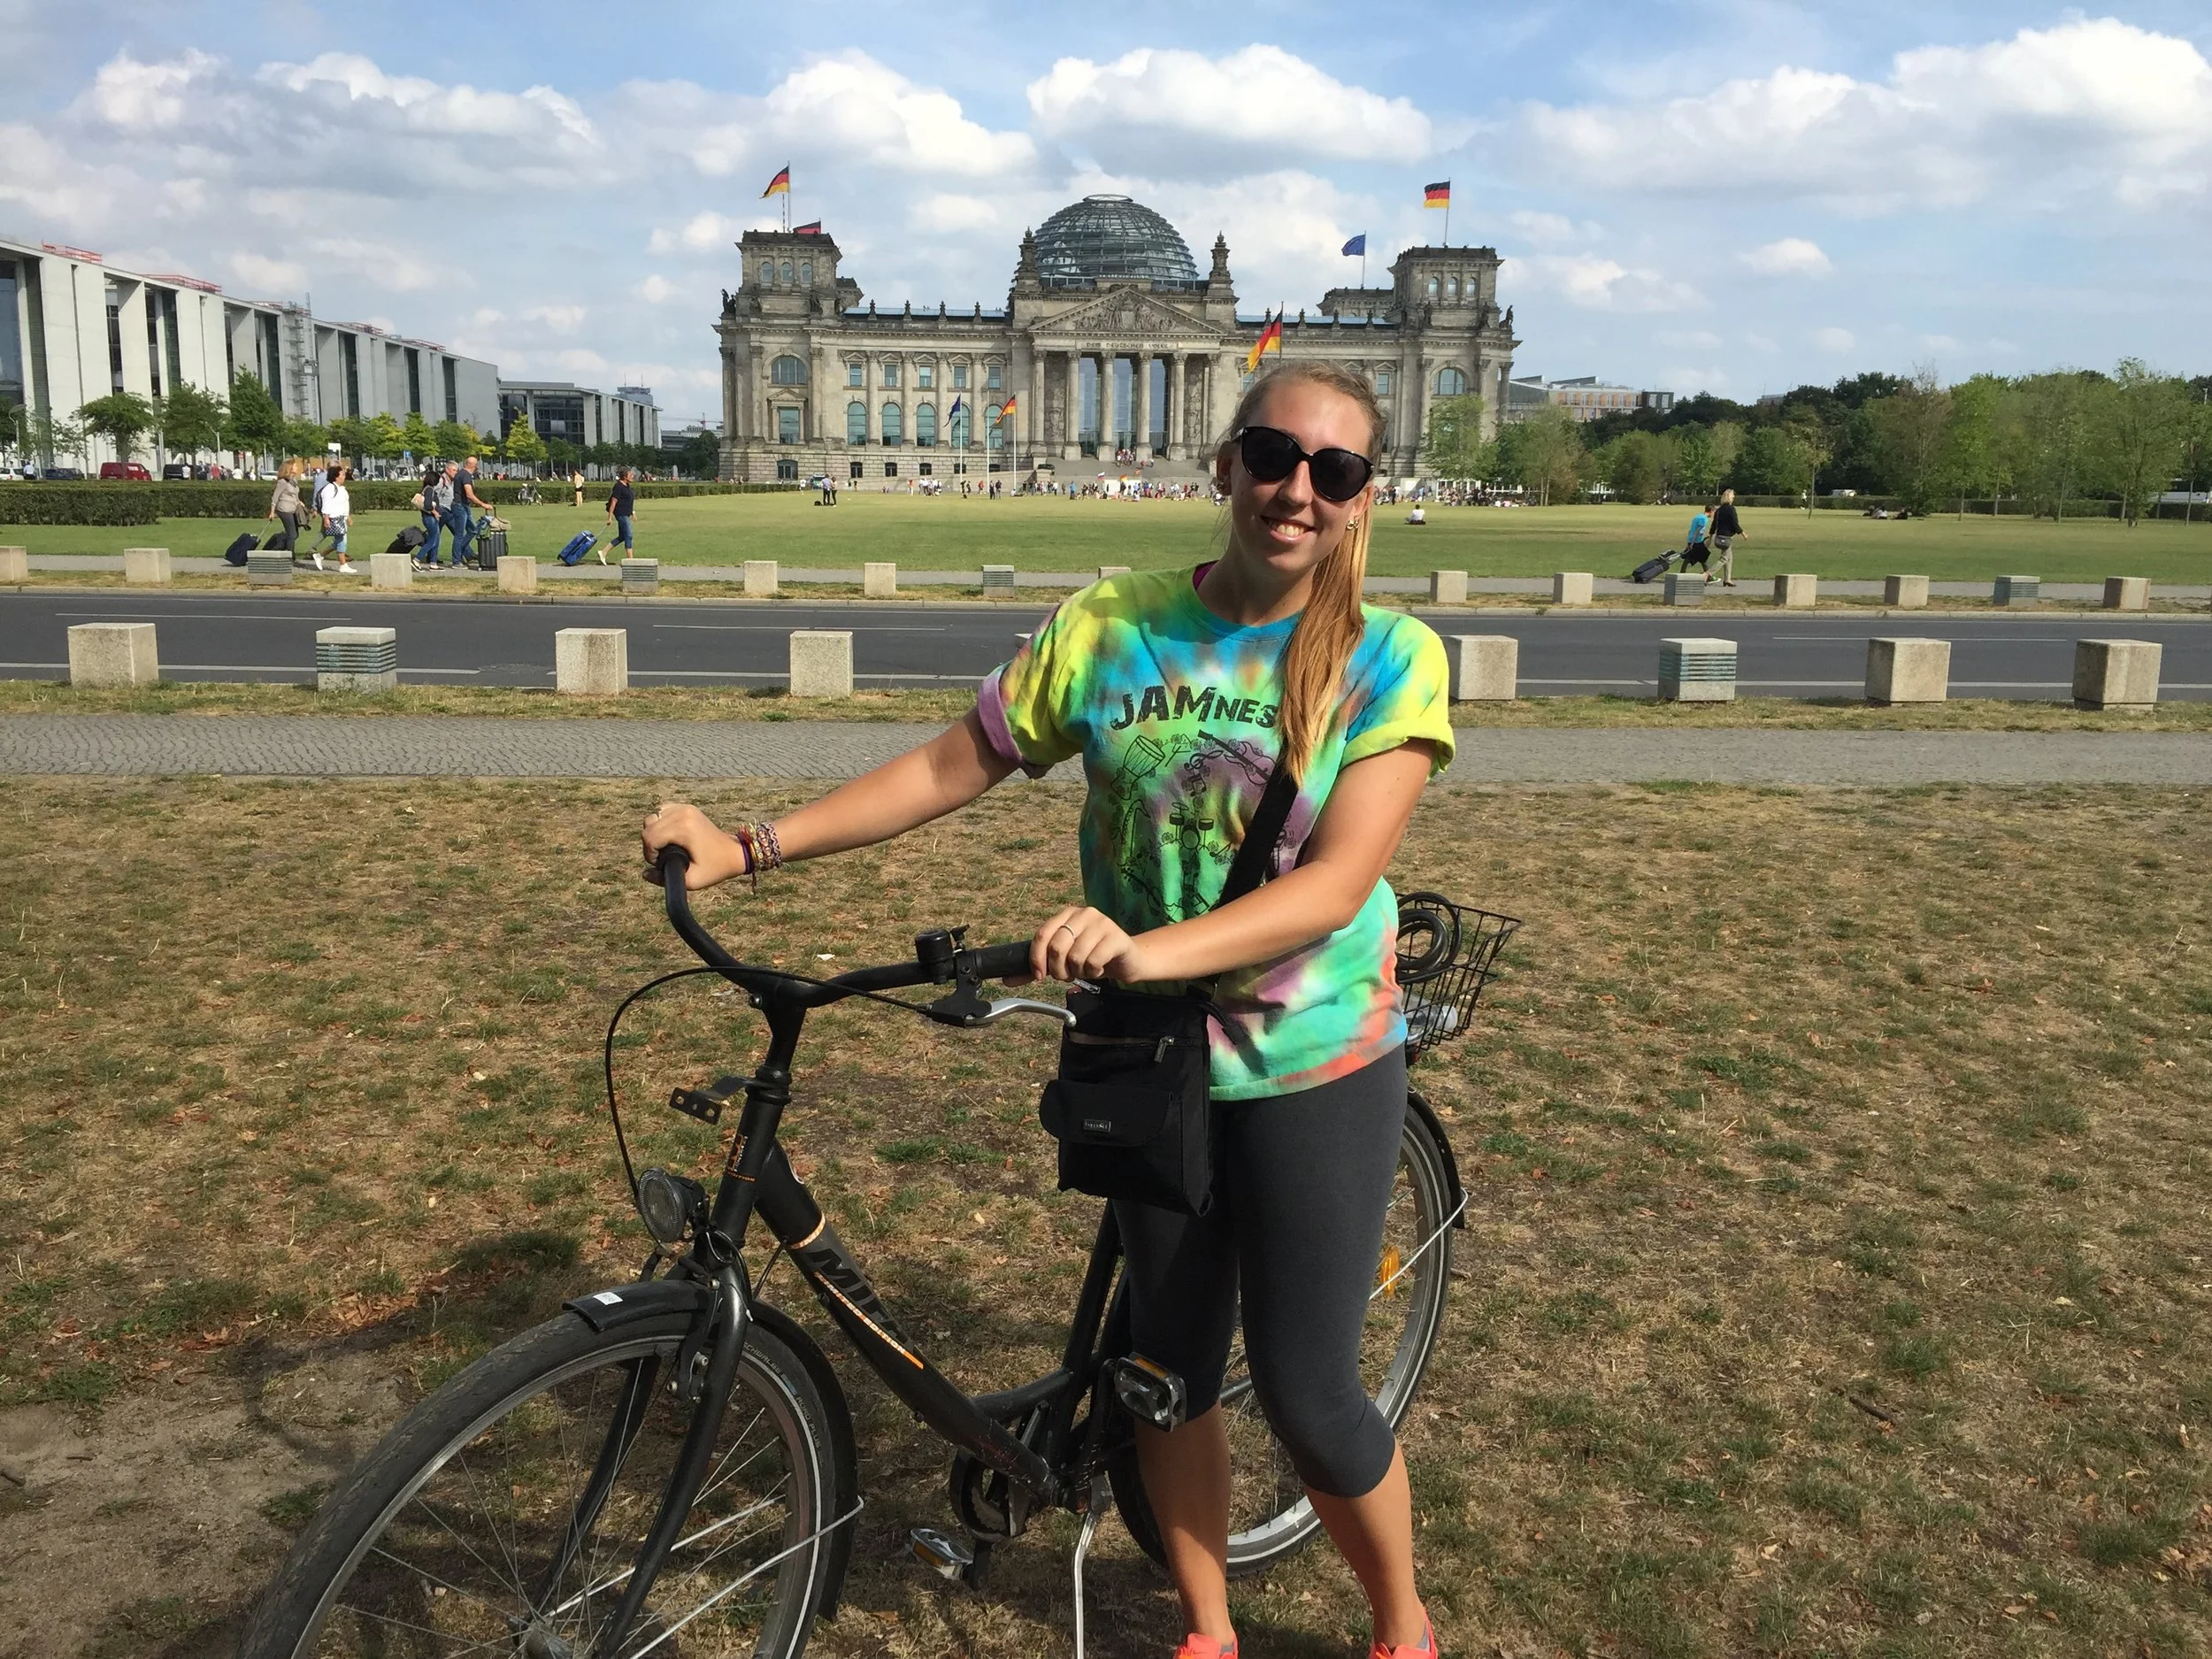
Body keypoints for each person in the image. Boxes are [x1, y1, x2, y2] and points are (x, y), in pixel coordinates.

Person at [641, 361, 1453, 1659]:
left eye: (1335, 471)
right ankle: (1206, 1626)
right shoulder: (1116, 625)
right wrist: (753, 844)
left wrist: (1143, 945)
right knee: (1164, 1374)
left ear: (1361, 499)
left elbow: (1335, 888)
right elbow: (946, 764)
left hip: (1312, 1058)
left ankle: (1403, 1625)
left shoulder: (1387, 656)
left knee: (1309, 1391)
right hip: (1146, 1054)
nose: (1297, 489)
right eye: (1274, 455)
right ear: (1227, 464)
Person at [312, 463, 357, 574]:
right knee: (341, 540)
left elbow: (345, 505)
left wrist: (348, 517)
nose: (344, 476)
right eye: (342, 474)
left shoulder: (341, 489)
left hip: (341, 518)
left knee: (339, 541)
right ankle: (342, 565)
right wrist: (326, 518)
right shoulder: (329, 488)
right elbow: (326, 504)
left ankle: (320, 555)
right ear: (336, 476)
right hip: (334, 518)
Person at [450, 455, 491, 567]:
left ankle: (460, 552)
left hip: (463, 505)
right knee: (459, 534)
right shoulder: (466, 475)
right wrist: (483, 504)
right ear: (473, 465)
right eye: (476, 464)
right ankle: (456, 560)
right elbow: (469, 494)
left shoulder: (461, 474)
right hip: (460, 506)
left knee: (473, 530)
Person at [414, 459, 453, 568]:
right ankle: (417, 559)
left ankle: (433, 563)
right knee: (432, 541)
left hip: (429, 518)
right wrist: (435, 512)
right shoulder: (430, 489)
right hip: (430, 518)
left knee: (436, 540)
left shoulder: (427, 488)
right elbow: (428, 505)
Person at [266, 458, 305, 557]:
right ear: (290, 468)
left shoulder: (293, 481)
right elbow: (275, 497)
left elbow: (295, 495)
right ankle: (290, 556)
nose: (297, 468)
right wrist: (272, 512)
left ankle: (279, 545)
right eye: (295, 466)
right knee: (292, 534)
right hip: (284, 510)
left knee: (295, 534)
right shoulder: (282, 482)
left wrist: (299, 502)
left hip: (293, 509)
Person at [1708, 487, 1744, 585]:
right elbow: (1735, 523)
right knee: (1724, 558)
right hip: (1726, 538)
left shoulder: (1719, 510)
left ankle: (1727, 579)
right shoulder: (1731, 509)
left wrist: (1710, 537)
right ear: (1729, 497)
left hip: (1718, 537)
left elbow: (1714, 524)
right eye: (1733, 495)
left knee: (1729, 557)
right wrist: (1743, 533)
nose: (1734, 497)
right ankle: (1708, 574)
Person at [604, 466, 636, 561]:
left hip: (626, 513)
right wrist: (609, 517)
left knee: (622, 536)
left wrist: (632, 513)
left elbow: (628, 501)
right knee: (629, 535)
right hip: (620, 514)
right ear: (625, 476)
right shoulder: (618, 486)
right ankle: (630, 560)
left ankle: (603, 552)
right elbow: (613, 502)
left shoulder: (627, 486)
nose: (633, 476)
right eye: (630, 475)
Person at [1681, 504, 1712, 572]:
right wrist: (1692, 543)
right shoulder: (1704, 519)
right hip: (1697, 541)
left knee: (1691, 558)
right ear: (1711, 511)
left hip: (1691, 539)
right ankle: (1709, 576)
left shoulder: (1697, 517)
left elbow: (1690, 531)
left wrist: (1688, 542)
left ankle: (1682, 573)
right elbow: (1697, 532)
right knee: (1703, 559)